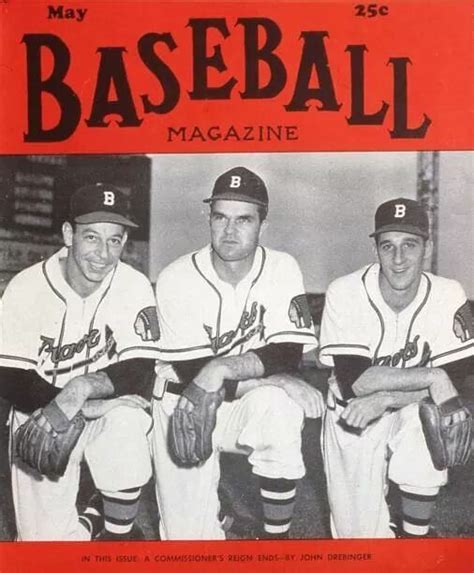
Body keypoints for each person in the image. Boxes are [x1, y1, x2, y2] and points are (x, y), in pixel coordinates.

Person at [151, 166, 323, 540]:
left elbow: (287, 350)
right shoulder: (176, 277)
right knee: (188, 545)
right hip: (183, 406)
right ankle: (211, 512)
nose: (229, 231)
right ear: (208, 217)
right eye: (220, 218)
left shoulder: (281, 267)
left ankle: (275, 544)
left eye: (243, 219)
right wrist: (272, 379)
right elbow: (193, 370)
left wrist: (224, 369)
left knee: (281, 407)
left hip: (243, 403)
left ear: (263, 221)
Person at [0, 183, 160, 540]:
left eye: (115, 240)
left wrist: (83, 387)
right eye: (91, 237)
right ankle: (93, 517)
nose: (103, 254)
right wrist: (79, 405)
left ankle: (119, 537)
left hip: (108, 409)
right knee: (46, 552)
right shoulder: (26, 287)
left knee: (128, 421)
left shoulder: (133, 284)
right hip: (41, 415)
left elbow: (139, 368)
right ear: (69, 234)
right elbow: (10, 377)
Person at [319, 197, 473, 538]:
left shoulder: (449, 294)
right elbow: (355, 382)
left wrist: (387, 398)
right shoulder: (345, 291)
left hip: (409, 409)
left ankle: (415, 539)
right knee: (357, 545)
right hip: (352, 415)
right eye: (388, 246)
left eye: (410, 245)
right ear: (375, 249)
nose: (399, 259)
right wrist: (433, 376)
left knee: (428, 417)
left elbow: (456, 377)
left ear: (427, 248)